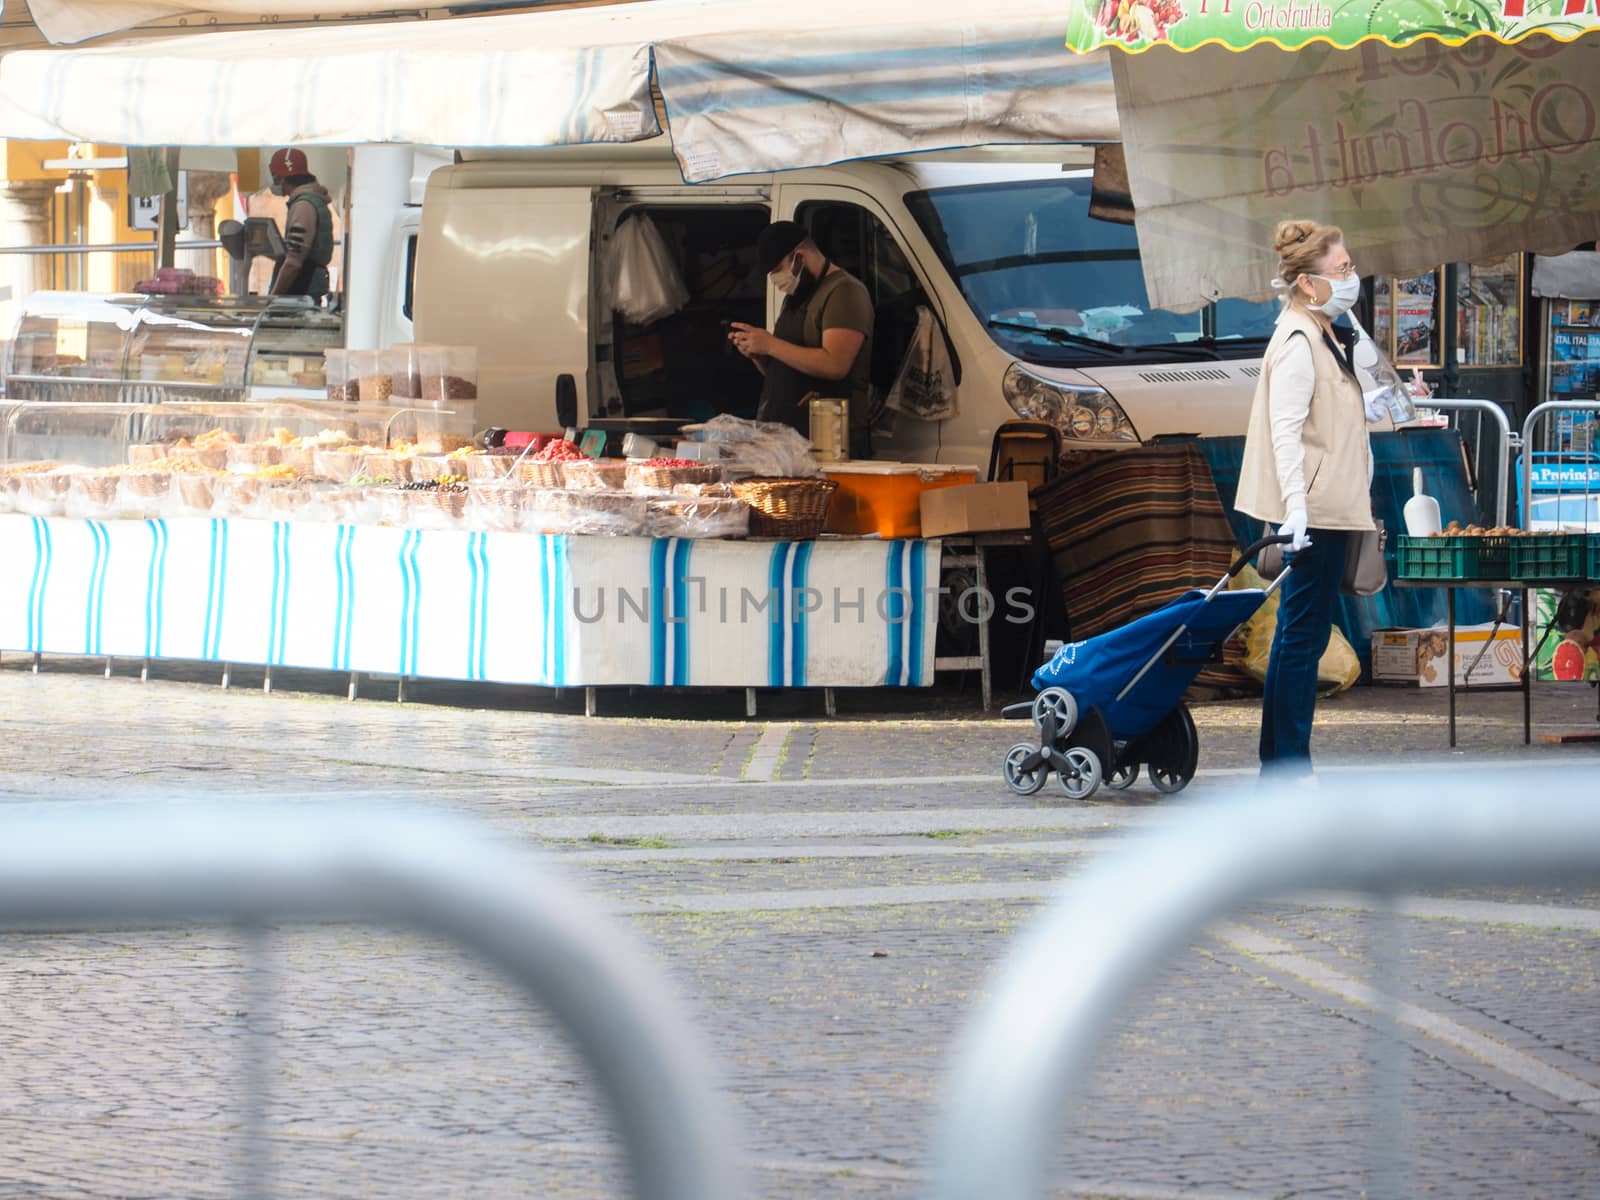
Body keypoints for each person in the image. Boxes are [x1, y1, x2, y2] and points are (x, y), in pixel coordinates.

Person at [1236, 219, 1428, 779]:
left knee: (1304, 634)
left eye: (1349, 267)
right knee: (1302, 637)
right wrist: (1295, 508)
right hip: (1316, 510)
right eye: (1341, 270)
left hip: (1330, 506)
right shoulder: (1298, 340)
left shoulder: (1322, 332)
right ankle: (1287, 767)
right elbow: (1286, 430)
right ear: (1307, 283)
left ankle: (1283, 763)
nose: (1352, 279)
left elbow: (1327, 415)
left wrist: (1372, 408)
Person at [728, 221, 874, 457]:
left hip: (829, 441)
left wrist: (771, 344)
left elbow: (835, 365)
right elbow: (788, 371)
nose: (776, 279)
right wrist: (759, 355)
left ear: (800, 256)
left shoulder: (845, 291)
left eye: (778, 269)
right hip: (787, 438)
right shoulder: (797, 295)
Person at [266, 148, 334, 302]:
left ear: (282, 178)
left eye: (275, 177)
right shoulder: (312, 201)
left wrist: (273, 299)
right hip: (310, 286)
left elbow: (294, 263)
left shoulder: (303, 205)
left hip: (302, 290)